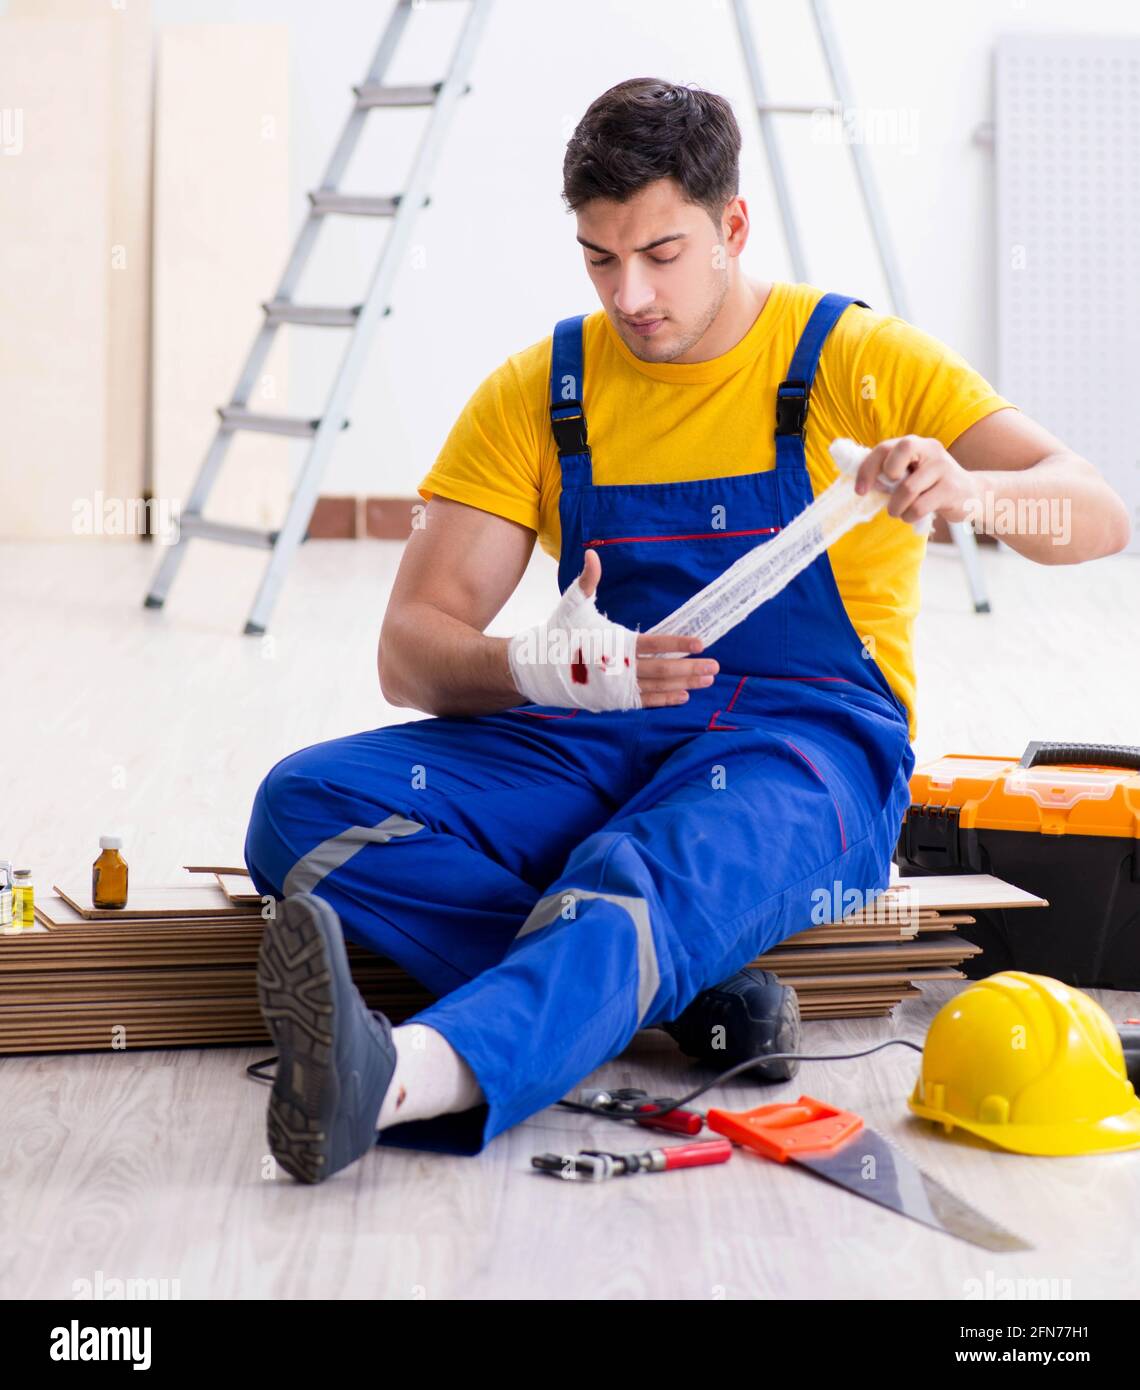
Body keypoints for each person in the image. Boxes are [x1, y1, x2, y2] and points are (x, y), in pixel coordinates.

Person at [243, 78, 1131, 1184]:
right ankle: (678, 983)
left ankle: (405, 1072)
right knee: (305, 806)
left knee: (632, 868)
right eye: (600, 259)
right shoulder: (544, 389)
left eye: (663, 252)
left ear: (734, 226)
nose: (632, 294)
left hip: (802, 746)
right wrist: (540, 667)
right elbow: (409, 651)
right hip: (594, 728)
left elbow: (1095, 514)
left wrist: (972, 491)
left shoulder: (849, 357)